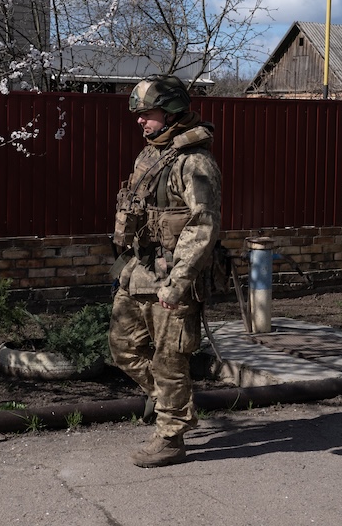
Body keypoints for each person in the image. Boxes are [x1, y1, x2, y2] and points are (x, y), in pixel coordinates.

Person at [108, 74, 221, 467]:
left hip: (172, 277)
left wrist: (178, 283)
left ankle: (171, 435)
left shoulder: (194, 162)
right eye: (138, 114)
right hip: (138, 271)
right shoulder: (152, 154)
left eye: (147, 113)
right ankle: (172, 406)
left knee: (169, 360)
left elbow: (203, 225)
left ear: (171, 110)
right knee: (123, 347)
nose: (140, 120)